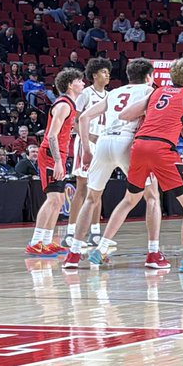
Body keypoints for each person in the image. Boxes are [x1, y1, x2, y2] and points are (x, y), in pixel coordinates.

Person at [93, 57, 183, 273]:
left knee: (130, 199)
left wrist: (153, 115)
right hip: (162, 149)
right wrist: (179, 126)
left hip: (139, 146)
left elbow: (125, 114)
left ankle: (100, 249)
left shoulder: (156, 92)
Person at [63, 59, 164, 270]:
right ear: (148, 77)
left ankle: (73, 255)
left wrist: (87, 150)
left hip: (103, 142)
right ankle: (153, 253)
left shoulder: (114, 92)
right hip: (127, 142)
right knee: (152, 197)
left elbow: (83, 118)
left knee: (91, 199)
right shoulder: (150, 91)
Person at [24, 68, 85, 256]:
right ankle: (35, 242)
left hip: (58, 153)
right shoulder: (64, 105)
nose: (83, 83)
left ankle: (47, 241)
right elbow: (51, 136)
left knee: (58, 200)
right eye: (79, 80)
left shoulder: (70, 105)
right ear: (69, 85)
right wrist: (58, 161)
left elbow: (64, 131)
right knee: (52, 199)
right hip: (51, 154)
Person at [64, 58, 112, 249]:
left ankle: (95, 234)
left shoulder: (111, 95)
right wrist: (89, 138)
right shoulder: (85, 94)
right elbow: (73, 121)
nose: (107, 74)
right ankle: (70, 233)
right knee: (82, 188)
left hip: (102, 144)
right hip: (85, 143)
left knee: (97, 189)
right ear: (94, 75)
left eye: (108, 72)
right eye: (103, 72)